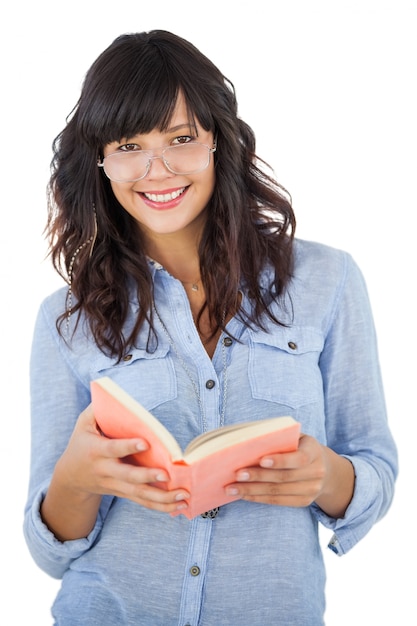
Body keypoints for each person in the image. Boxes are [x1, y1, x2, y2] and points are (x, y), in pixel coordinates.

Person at [24, 30, 397, 626]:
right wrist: (75, 477)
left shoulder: (328, 281)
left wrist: (325, 475)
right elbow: (49, 547)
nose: (158, 169)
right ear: (100, 160)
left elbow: (375, 468)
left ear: (217, 141)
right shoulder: (65, 318)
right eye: (128, 144)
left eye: (181, 138)